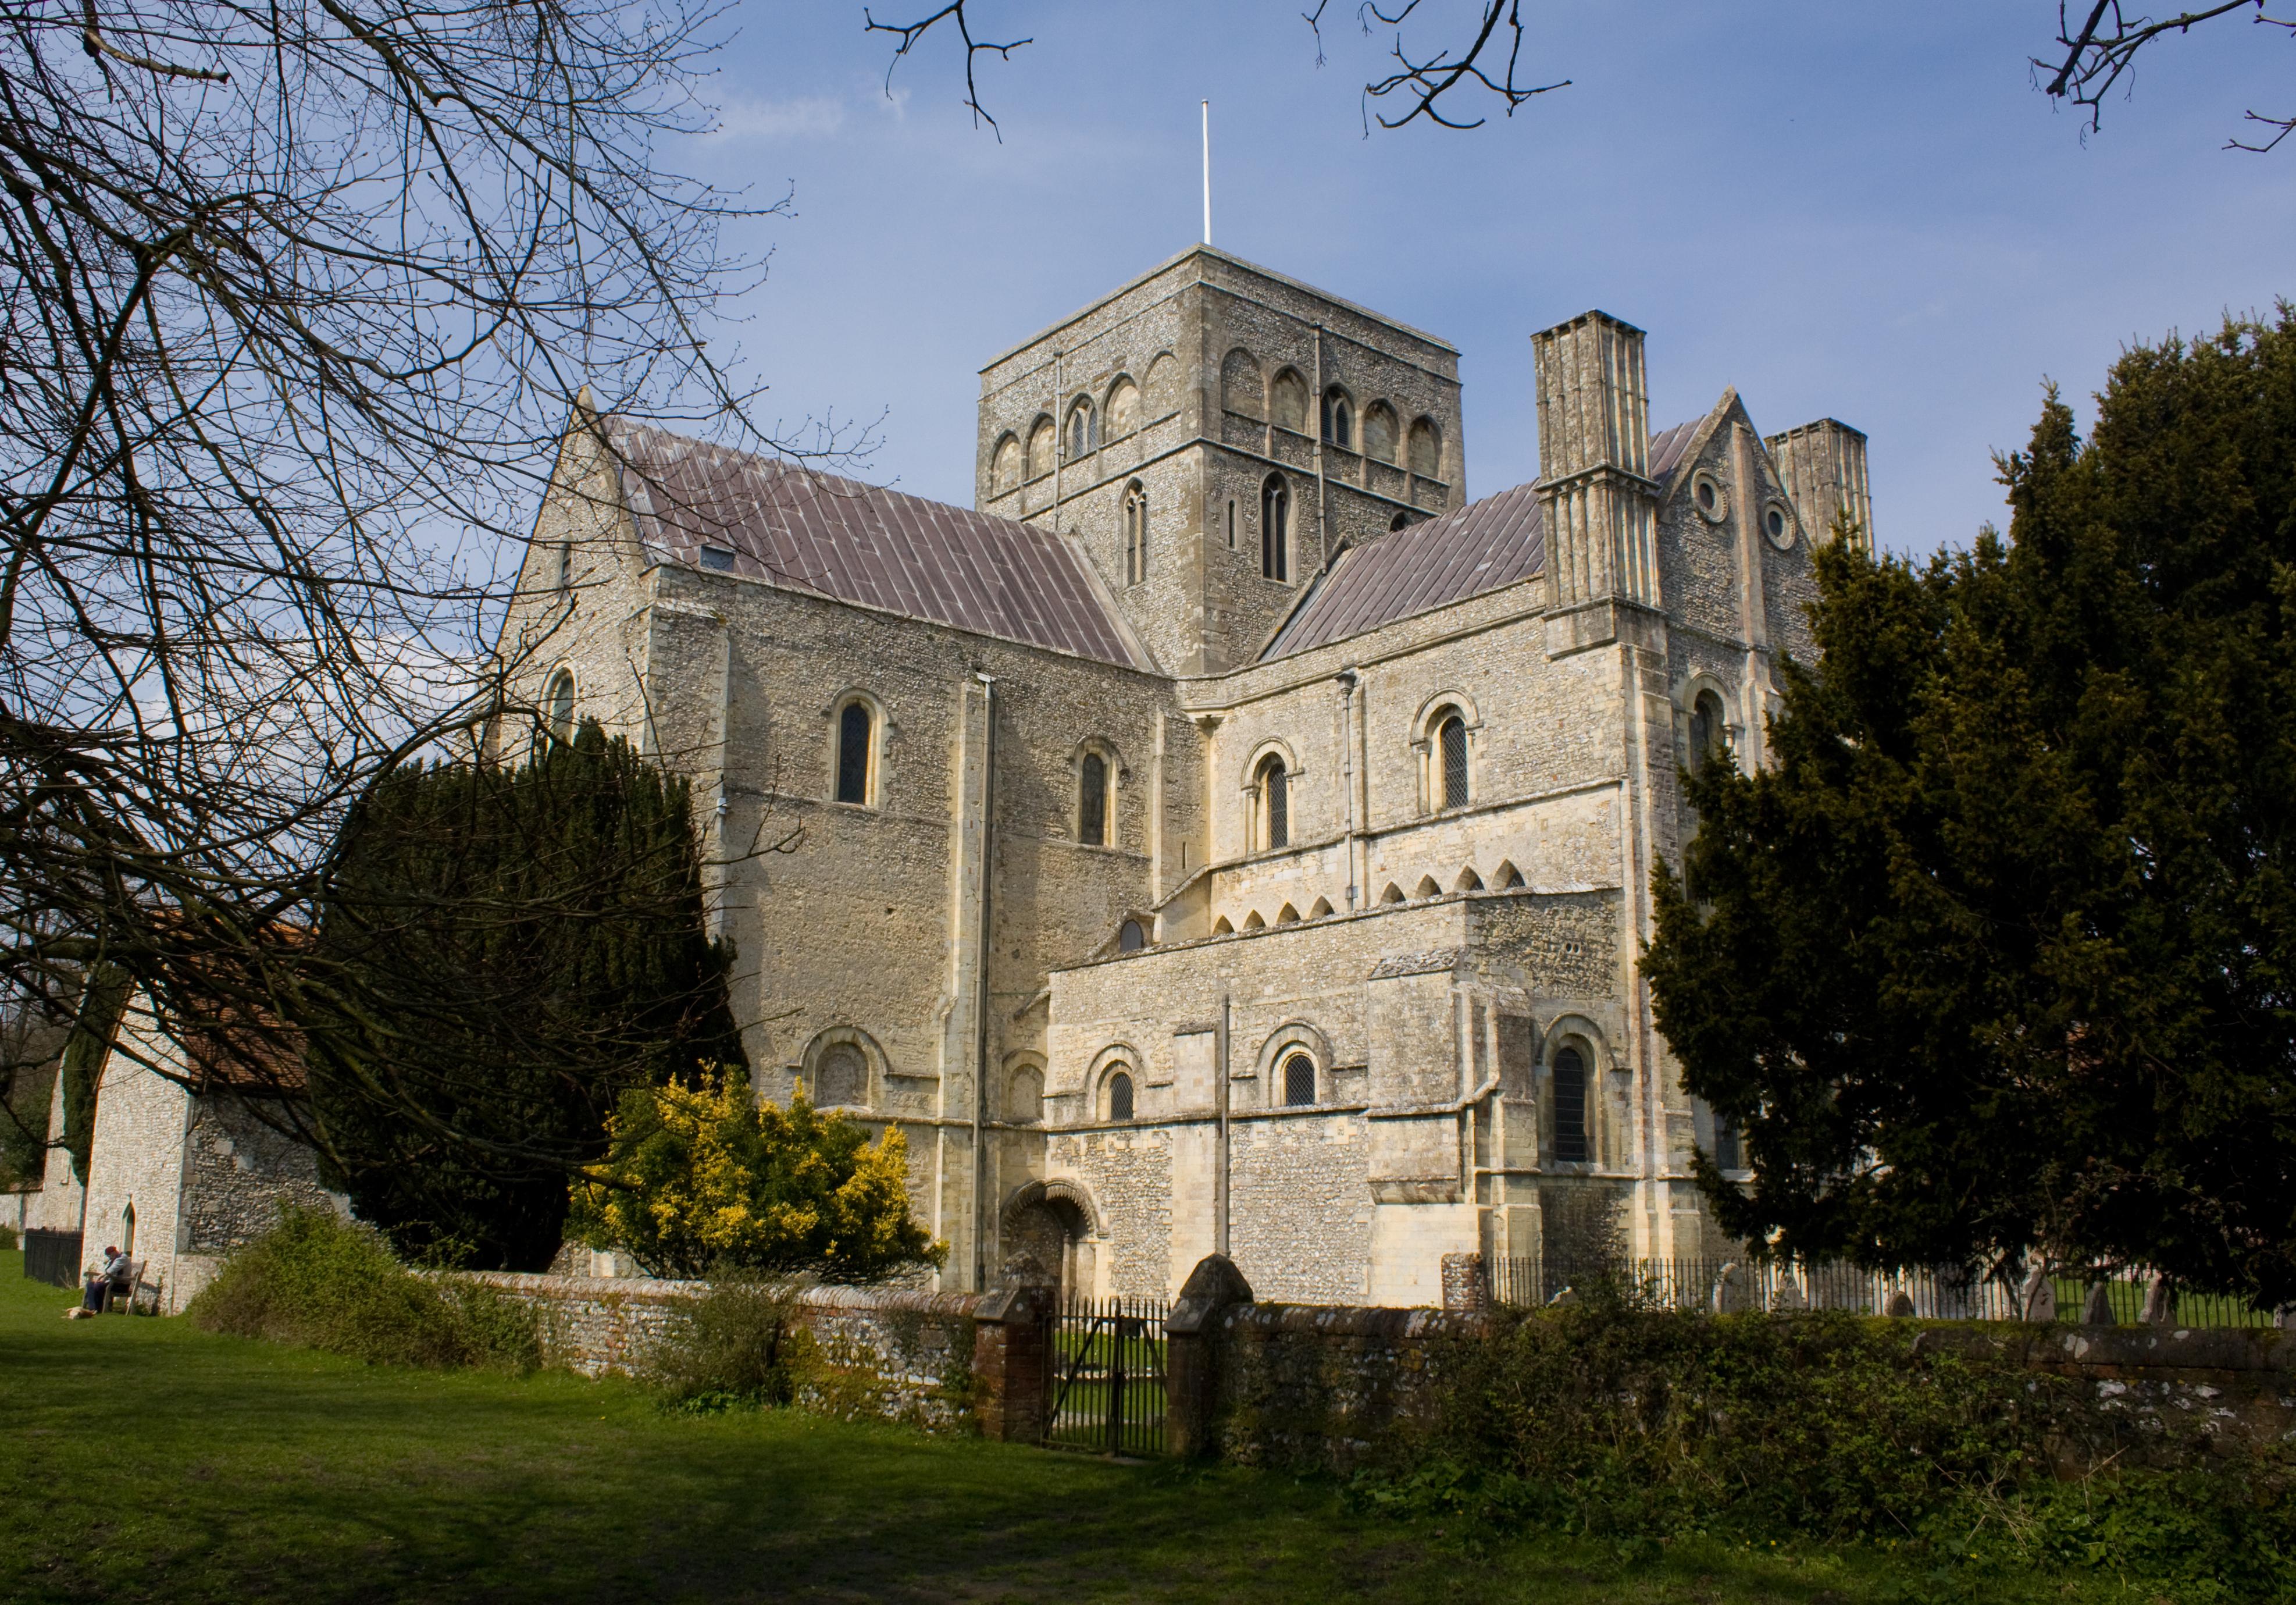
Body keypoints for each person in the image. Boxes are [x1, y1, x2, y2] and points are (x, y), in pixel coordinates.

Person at [73, 1244, 132, 1317]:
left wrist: (101, 1277)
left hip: (122, 1284)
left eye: (110, 1255)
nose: (110, 1257)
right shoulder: (113, 1259)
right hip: (113, 1282)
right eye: (108, 1256)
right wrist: (101, 1278)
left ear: (114, 1252)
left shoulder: (122, 1258)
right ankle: (93, 1308)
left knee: (98, 1286)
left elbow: (110, 1271)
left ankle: (98, 1308)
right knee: (91, 1284)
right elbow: (107, 1271)